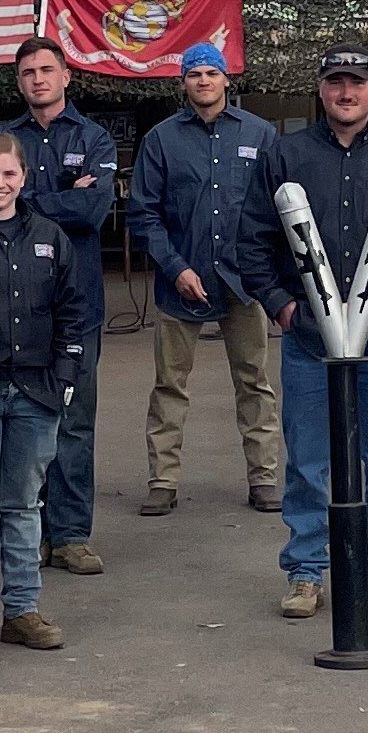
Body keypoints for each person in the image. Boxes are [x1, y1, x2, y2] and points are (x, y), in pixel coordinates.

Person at [234, 44, 368, 620]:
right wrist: (283, 311)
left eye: (356, 82)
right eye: (335, 82)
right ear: (322, 89)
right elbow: (251, 245)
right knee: (307, 459)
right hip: (309, 337)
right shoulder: (286, 155)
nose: (345, 93)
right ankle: (305, 573)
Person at [0, 133, 97, 649]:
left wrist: (66, 375)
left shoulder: (51, 236)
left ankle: (22, 611)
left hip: (37, 392)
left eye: (9, 174)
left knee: (24, 506)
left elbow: (74, 311)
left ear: (24, 178)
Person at [127, 42, 283, 516]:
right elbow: (143, 213)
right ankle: (163, 481)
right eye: (193, 74)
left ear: (225, 79)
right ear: (183, 83)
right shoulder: (161, 140)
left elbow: (279, 206)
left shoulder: (259, 134)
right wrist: (175, 268)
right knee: (169, 385)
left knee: (255, 383)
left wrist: (266, 272)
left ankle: (264, 478)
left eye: (210, 73)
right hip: (182, 282)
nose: (203, 81)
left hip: (244, 283)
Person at [0, 37, 120, 576]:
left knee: (73, 421)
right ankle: (30, 533)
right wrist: (62, 196)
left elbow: (94, 211)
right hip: (16, 308)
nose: (37, 80)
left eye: (46, 70)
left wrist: (27, 201)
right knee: (24, 420)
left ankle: (70, 535)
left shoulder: (93, 137)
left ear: (67, 76)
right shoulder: (4, 143)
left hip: (77, 307)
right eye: (27, 72)